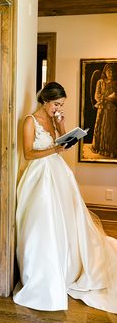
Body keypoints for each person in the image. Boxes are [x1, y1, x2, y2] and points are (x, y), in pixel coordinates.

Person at [13, 82, 117, 313]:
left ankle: (69, 264)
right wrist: (56, 150)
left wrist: (61, 124)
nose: (58, 108)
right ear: (45, 101)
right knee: (44, 221)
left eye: (61, 105)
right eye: (56, 104)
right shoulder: (30, 120)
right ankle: (43, 275)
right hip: (39, 175)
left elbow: (63, 142)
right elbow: (29, 153)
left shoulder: (53, 118)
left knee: (67, 219)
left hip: (59, 173)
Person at [91, 63, 117, 158]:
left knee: (110, 129)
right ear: (105, 72)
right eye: (108, 71)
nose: (110, 73)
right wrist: (108, 98)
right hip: (102, 108)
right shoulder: (100, 82)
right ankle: (98, 148)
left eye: (112, 71)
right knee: (100, 127)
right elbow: (96, 96)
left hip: (112, 110)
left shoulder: (115, 83)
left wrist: (111, 98)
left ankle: (109, 150)